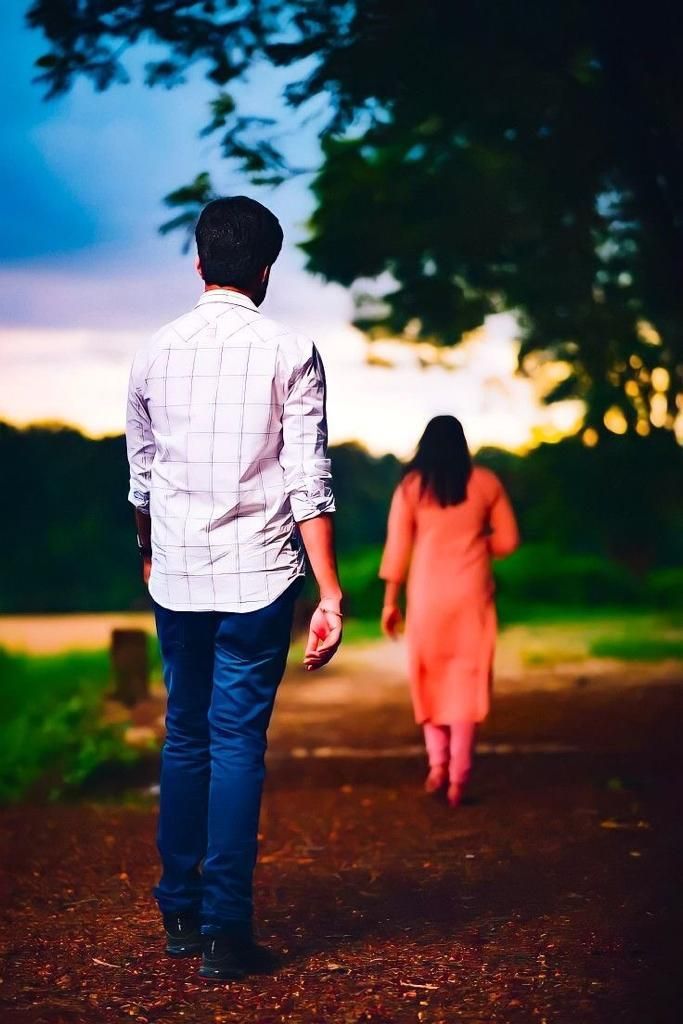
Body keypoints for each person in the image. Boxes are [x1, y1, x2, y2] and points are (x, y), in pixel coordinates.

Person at [125, 196, 343, 981]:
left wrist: (149, 553)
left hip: (177, 574)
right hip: (258, 577)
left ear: (198, 262)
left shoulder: (153, 350)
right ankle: (225, 932)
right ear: (265, 270)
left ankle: (178, 912)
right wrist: (330, 592)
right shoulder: (293, 349)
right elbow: (307, 478)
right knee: (236, 741)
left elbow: (141, 476)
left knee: (185, 734)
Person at [379, 416, 519, 808]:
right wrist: (477, 544)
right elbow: (508, 541)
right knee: (466, 680)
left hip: (426, 597)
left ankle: (437, 764)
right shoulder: (486, 482)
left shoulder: (411, 488)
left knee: (430, 676)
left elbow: (397, 551)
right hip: (471, 596)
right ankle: (460, 778)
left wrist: (390, 602)